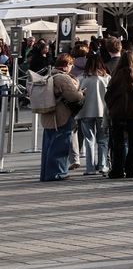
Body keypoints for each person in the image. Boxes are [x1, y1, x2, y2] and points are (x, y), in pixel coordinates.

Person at [36, 52, 84, 181]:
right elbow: (73, 96)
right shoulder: (63, 78)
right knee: (60, 146)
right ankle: (57, 173)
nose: (71, 68)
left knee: (48, 146)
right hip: (61, 116)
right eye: (71, 65)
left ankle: (46, 173)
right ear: (67, 64)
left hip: (48, 115)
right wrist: (81, 93)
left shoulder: (49, 75)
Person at [106, 39, 133, 180]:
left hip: (118, 114)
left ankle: (117, 169)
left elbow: (108, 95)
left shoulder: (117, 76)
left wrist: (112, 107)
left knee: (118, 143)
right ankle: (132, 169)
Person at [75, 49, 110, 176]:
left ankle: (89, 168)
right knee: (103, 140)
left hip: (85, 112)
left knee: (89, 140)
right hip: (102, 112)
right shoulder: (106, 78)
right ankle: (103, 165)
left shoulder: (80, 78)